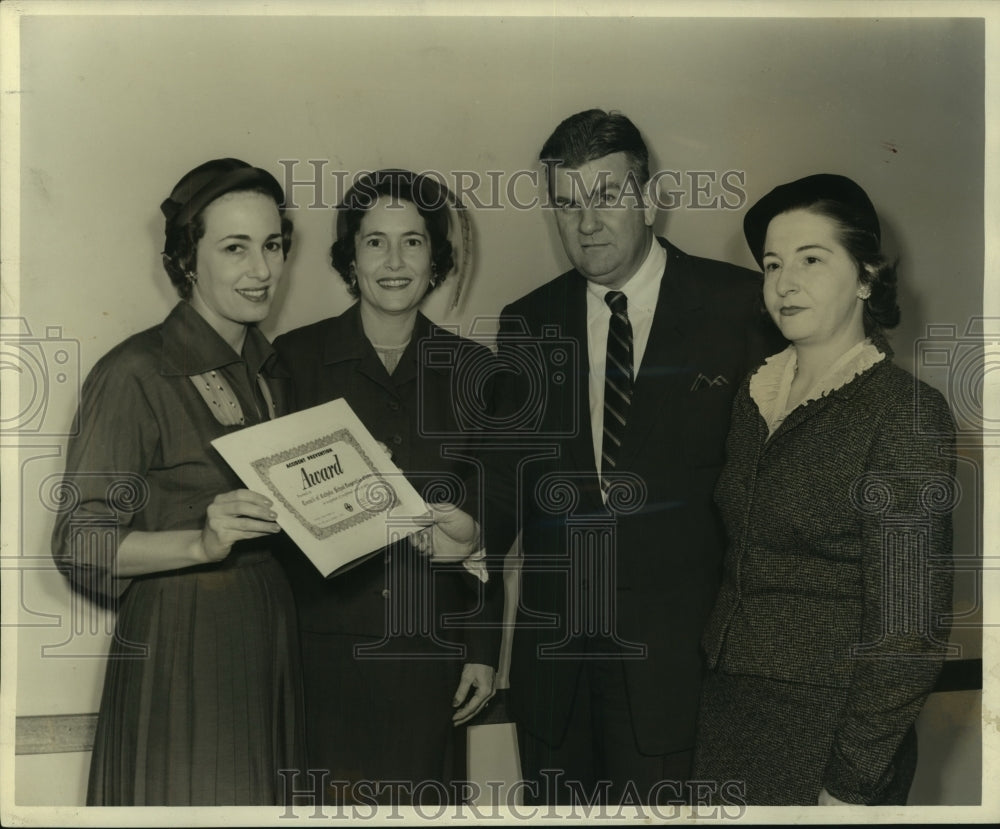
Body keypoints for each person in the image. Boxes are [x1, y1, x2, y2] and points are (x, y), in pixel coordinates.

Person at [485, 109, 783, 805]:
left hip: (680, 675)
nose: (586, 222)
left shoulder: (740, 307)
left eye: (607, 196)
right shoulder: (527, 322)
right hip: (555, 682)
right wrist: (470, 533)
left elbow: (767, 499)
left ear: (650, 198)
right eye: (567, 202)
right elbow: (504, 484)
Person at [694, 174, 956, 805]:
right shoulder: (753, 398)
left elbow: (909, 628)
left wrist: (851, 782)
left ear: (867, 277)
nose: (785, 283)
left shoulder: (903, 413)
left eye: (812, 260)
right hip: (728, 718)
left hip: (832, 739)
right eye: (773, 265)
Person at [51, 158, 305, 805]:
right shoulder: (135, 371)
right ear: (189, 259)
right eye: (235, 248)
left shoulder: (272, 373)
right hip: (181, 650)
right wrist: (199, 541)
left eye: (273, 245)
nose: (262, 270)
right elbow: (80, 542)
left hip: (266, 641)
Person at [272, 169, 502, 805]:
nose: (394, 261)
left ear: (437, 259)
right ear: (350, 258)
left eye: (414, 241)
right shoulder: (292, 360)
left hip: (429, 654)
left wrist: (482, 649)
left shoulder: (477, 371)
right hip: (317, 650)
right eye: (374, 242)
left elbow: (488, 522)